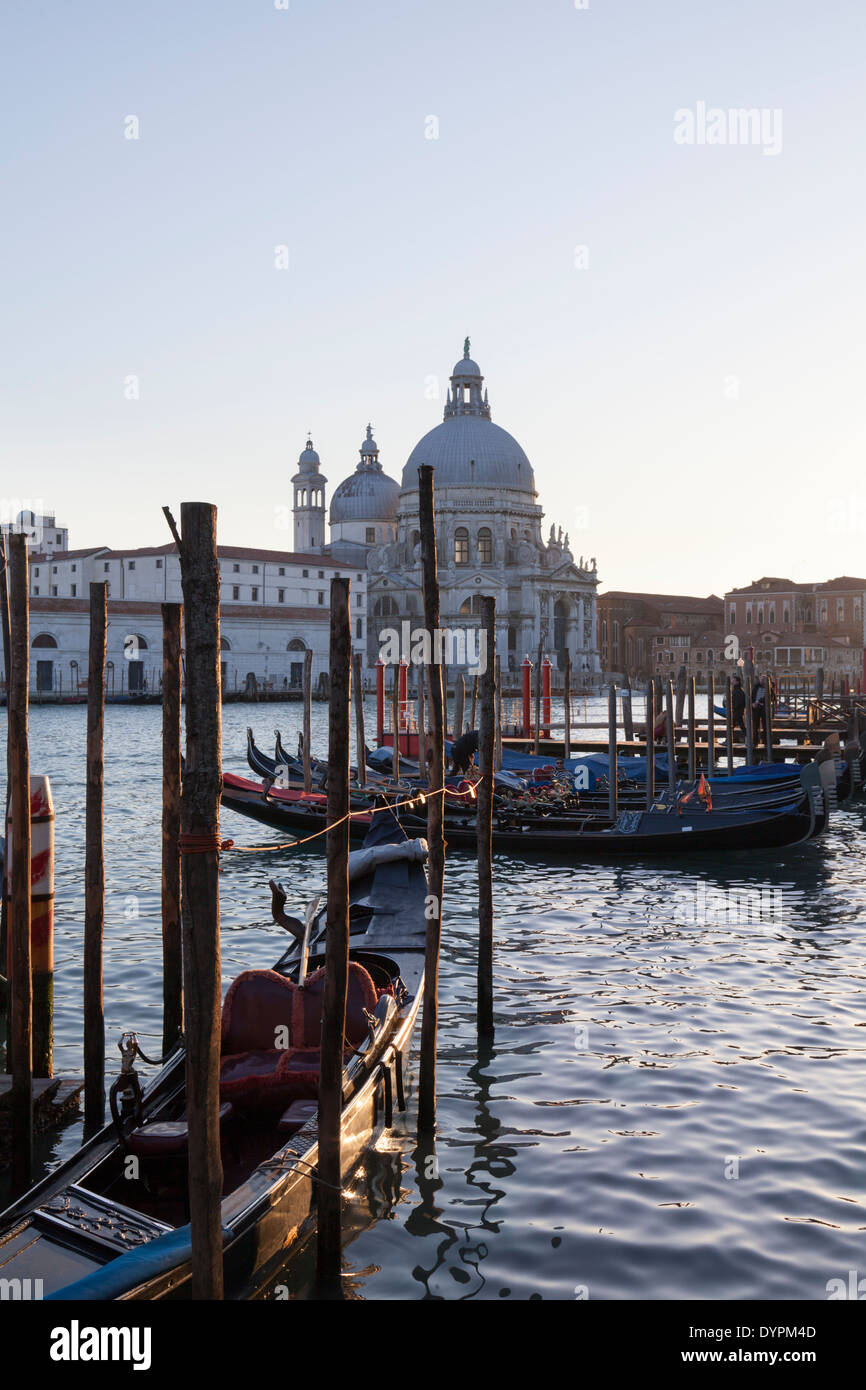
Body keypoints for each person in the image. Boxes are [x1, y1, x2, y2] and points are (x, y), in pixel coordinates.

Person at [730, 675, 747, 740]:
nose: (732, 681)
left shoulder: (738, 691)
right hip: (738, 711)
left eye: (733, 680)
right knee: (741, 726)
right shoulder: (736, 690)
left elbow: (739, 702)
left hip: (737, 711)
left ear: (737, 682)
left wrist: (733, 707)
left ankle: (728, 740)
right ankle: (749, 738)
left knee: (732, 726)